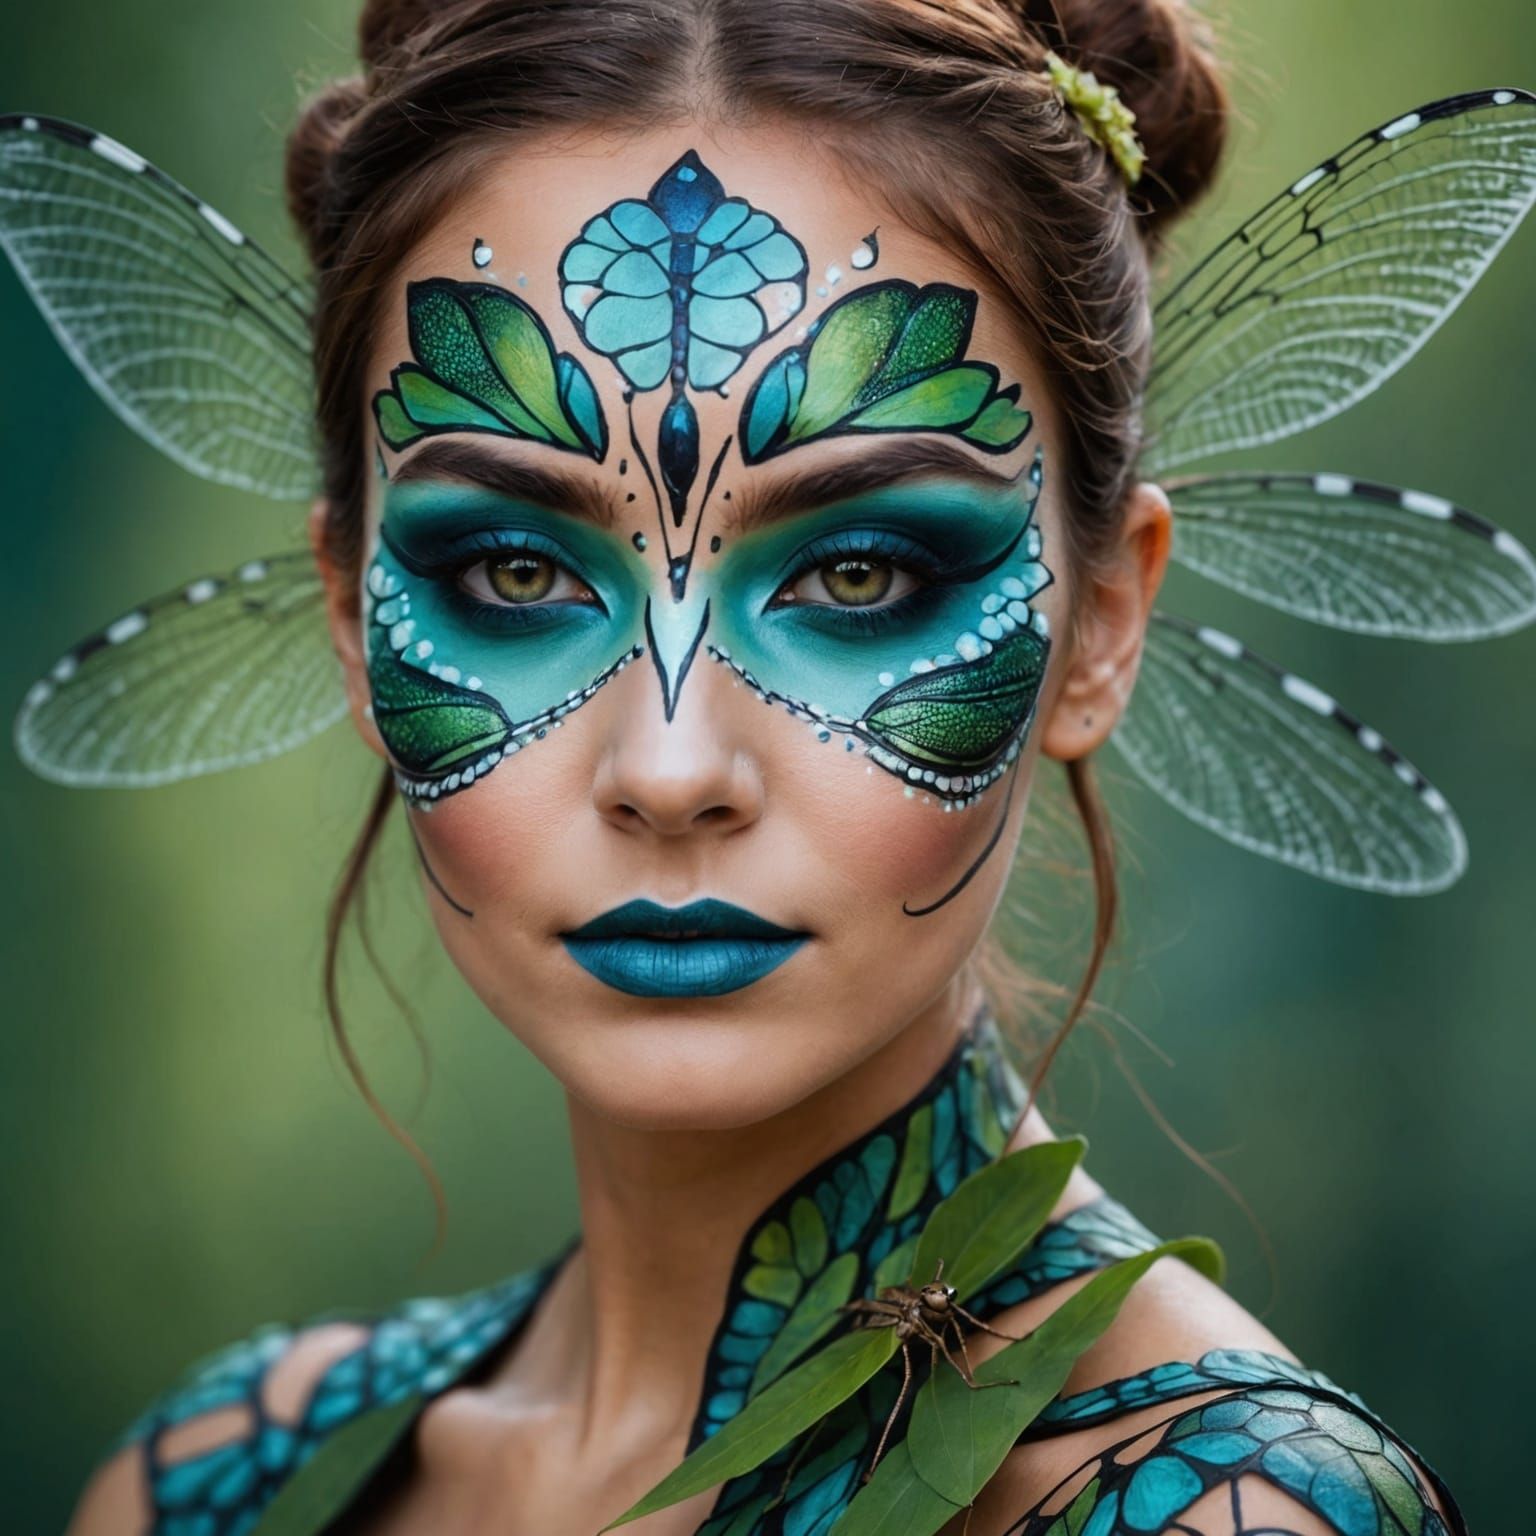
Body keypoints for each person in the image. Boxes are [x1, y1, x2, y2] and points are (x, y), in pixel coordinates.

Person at [9, 0, 1528, 1530]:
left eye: (862, 575)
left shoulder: (1221, 1511)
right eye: (517, 577)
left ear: (1102, 624)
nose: (671, 768)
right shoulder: (206, 1485)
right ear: (354, 621)